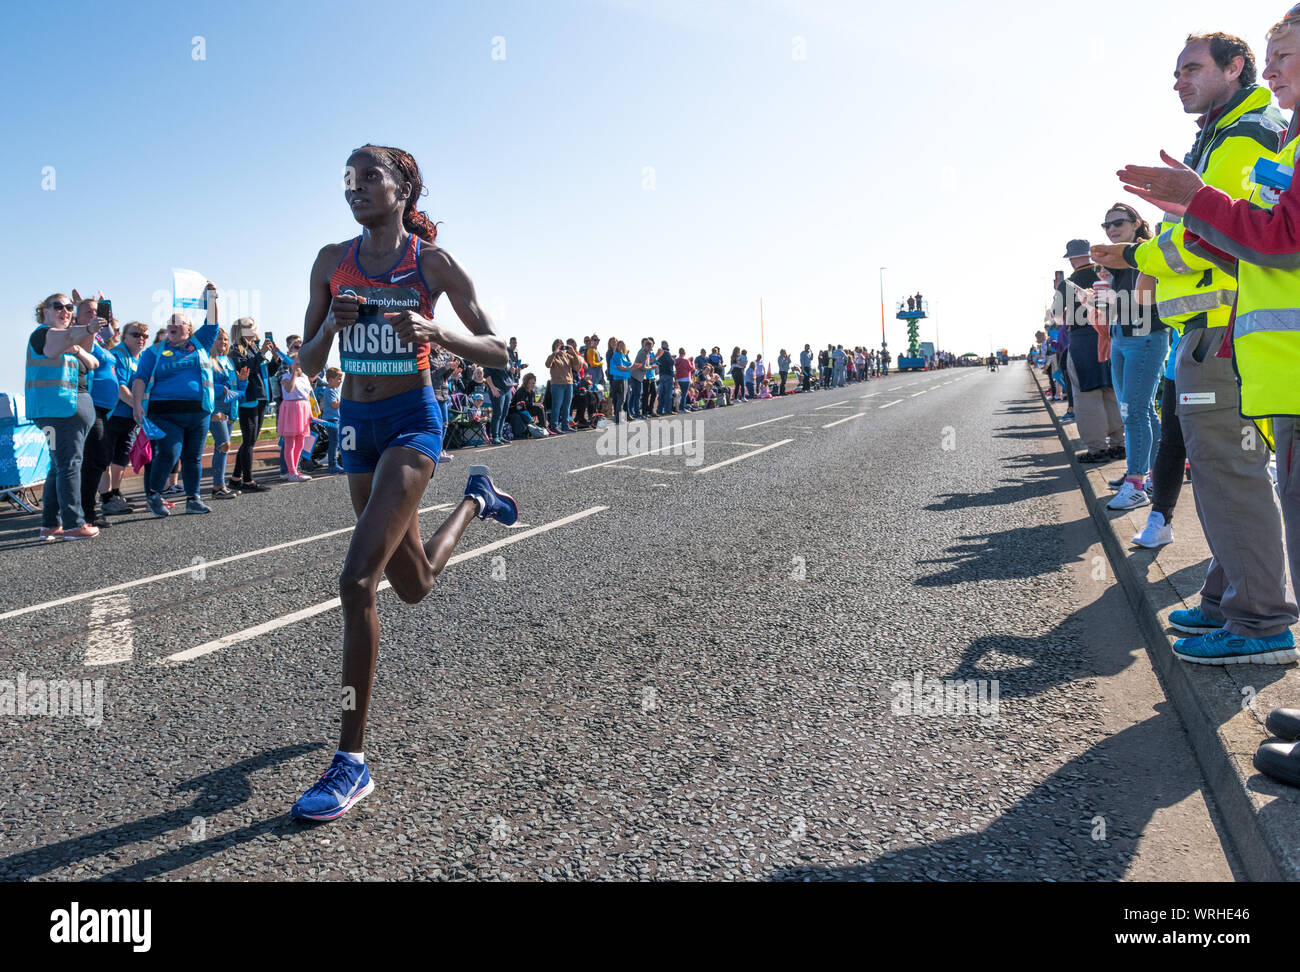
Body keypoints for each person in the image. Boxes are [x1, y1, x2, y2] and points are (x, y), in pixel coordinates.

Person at [291, 142, 517, 821]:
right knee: (412, 585)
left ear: (403, 188)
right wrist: (332, 321)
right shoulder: (333, 262)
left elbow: (503, 353)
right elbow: (305, 359)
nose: (355, 188)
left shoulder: (433, 265)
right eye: (348, 180)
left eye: (370, 177)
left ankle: (350, 764)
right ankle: (478, 497)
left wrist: (436, 332)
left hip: (414, 419)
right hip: (357, 423)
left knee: (356, 580)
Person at [1094, 29, 1296, 659]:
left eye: (1190, 68)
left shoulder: (1242, 135)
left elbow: (1212, 234)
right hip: (1216, 327)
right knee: (1218, 472)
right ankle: (1229, 598)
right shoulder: (1226, 134)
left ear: (1233, 70)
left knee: (1228, 471)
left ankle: (1259, 617)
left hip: (1227, 325)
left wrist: (1136, 253)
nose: (1177, 79)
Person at [1093, 202, 1167, 513]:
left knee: (1134, 412)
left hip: (1146, 338)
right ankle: (1153, 476)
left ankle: (1136, 485)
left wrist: (1113, 298)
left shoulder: (1145, 251)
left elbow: (1149, 299)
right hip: (1124, 336)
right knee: (1140, 411)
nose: (1111, 229)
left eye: (1118, 222)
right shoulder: (1120, 258)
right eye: (1106, 225)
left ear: (1136, 222)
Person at [132, 287, 222, 517]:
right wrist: (136, 404)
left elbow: (212, 324)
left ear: (189, 329)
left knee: (193, 457)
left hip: (198, 412)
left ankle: (194, 499)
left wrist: (212, 298)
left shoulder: (199, 343)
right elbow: (140, 378)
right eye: (170, 322)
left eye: (178, 322)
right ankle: (154, 494)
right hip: (164, 412)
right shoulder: (154, 352)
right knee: (170, 454)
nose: (172, 325)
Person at [26, 293, 101, 540]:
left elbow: (92, 361)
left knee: (58, 467)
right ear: (44, 310)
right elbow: (63, 338)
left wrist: (87, 330)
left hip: (62, 411)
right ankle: (73, 524)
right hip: (59, 412)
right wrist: (87, 327)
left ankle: (50, 524)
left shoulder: (67, 340)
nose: (66, 310)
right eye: (58, 306)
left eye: (70, 307)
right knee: (69, 465)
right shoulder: (44, 334)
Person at [1055, 239, 1122, 462]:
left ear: (1072, 259)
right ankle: (1119, 443)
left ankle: (1097, 448)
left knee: (1087, 396)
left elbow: (1056, 317)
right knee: (1112, 391)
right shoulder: (1107, 273)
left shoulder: (1069, 283)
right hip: (1111, 336)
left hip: (1083, 340)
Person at [101, 321, 148, 515]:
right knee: (105, 457)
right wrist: (137, 406)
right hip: (113, 415)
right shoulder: (118, 355)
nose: (141, 339)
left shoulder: (140, 358)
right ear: (124, 337)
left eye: (144, 335)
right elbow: (119, 388)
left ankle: (116, 492)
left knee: (121, 456)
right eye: (136, 335)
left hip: (129, 416)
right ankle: (106, 498)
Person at [227, 317, 279, 492]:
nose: (254, 327)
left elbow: (267, 372)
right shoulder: (236, 350)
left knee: (251, 440)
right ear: (240, 330)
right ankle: (247, 481)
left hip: (261, 396)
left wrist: (275, 359)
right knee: (249, 440)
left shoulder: (254, 347)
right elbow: (245, 370)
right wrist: (261, 353)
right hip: (249, 397)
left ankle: (235, 479)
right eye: (249, 326)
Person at [81, 298, 119, 530]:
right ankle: (86, 514)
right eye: (90, 312)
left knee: (99, 459)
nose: (97, 316)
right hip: (91, 406)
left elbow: (110, 335)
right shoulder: (84, 339)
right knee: (94, 460)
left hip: (105, 409)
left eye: (98, 312)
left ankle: (86, 511)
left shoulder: (100, 341)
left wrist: (107, 314)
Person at [209, 325, 246, 499]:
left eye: (225, 339)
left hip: (231, 406)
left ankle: (219, 486)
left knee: (223, 447)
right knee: (223, 444)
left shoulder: (228, 361)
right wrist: (220, 389)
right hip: (216, 406)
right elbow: (205, 384)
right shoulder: (208, 360)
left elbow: (236, 388)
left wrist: (242, 382)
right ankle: (218, 487)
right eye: (219, 339)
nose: (223, 342)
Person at [277, 347, 315, 482]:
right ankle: (291, 471)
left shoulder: (305, 377)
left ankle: (295, 469)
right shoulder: (285, 376)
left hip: (303, 408)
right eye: (296, 363)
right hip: (291, 408)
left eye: (300, 363)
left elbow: (307, 396)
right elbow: (289, 389)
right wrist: (294, 374)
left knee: (300, 442)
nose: (299, 365)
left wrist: (310, 413)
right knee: (290, 442)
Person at [545, 338, 581, 433]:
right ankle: (554, 425)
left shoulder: (567, 356)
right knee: (556, 406)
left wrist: (573, 352)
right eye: (558, 344)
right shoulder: (553, 356)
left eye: (561, 344)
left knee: (567, 406)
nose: (560, 346)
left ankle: (565, 425)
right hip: (557, 385)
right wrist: (555, 353)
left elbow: (577, 364)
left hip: (569, 384)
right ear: (554, 346)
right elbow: (547, 364)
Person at [607, 339, 631, 424]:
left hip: (624, 378)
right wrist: (632, 367)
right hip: (619, 380)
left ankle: (620, 419)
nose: (621, 347)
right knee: (620, 400)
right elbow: (621, 367)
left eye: (622, 345)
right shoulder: (617, 355)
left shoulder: (622, 355)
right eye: (619, 345)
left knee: (622, 400)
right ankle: (619, 419)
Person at [655, 340, 675, 415]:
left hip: (661, 375)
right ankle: (667, 410)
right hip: (668, 375)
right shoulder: (667, 352)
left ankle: (659, 410)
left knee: (662, 394)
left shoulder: (659, 353)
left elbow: (657, 363)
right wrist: (672, 358)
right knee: (668, 394)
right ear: (666, 345)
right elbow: (671, 362)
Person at [674, 347, 692, 413]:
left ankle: (678, 408)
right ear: (685, 353)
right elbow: (691, 368)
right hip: (686, 378)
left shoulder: (676, 360)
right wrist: (691, 362)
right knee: (684, 394)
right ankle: (682, 408)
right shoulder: (686, 360)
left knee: (680, 394)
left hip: (679, 378)